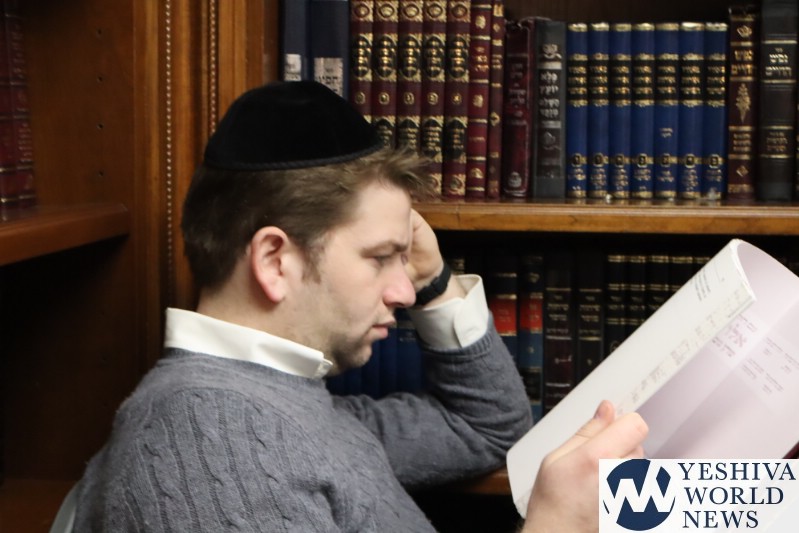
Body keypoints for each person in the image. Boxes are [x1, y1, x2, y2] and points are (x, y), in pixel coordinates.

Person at [72, 80, 647, 532]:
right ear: (275, 261)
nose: (404, 293)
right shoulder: (208, 439)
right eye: (380, 258)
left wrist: (433, 277)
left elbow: (485, 427)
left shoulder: (280, 403)